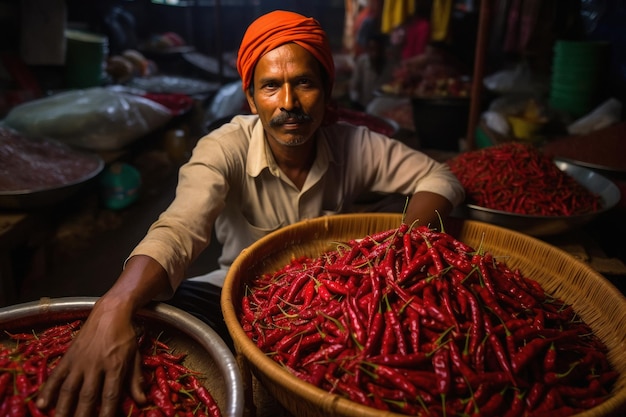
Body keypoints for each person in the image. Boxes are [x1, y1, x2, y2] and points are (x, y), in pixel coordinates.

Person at [35, 10, 464, 417]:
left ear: (327, 90)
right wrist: (115, 304)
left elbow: (441, 179)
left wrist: (398, 253)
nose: (289, 102)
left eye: (305, 83)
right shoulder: (224, 148)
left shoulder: (355, 146)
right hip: (236, 294)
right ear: (251, 97)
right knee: (160, 322)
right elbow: (181, 225)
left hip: (331, 299)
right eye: (271, 86)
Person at [349, 32, 395, 110]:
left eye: (378, 50)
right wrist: (354, 100)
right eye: (372, 49)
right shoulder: (362, 62)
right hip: (363, 106)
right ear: (367, 49)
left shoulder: (390, 65)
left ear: (383, 50)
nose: (375, 53)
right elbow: (354, 85)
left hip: (383, 109)